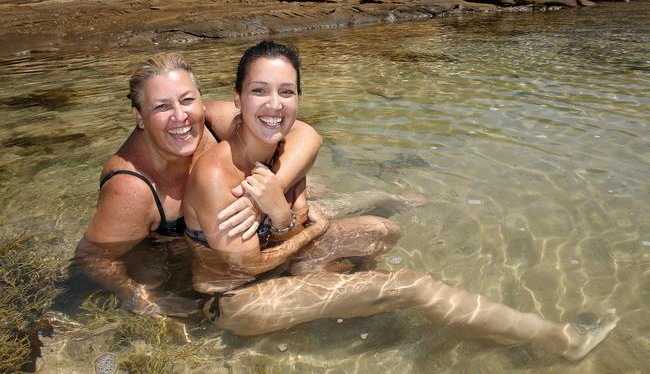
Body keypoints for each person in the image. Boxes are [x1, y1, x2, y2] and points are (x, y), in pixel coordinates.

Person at [181, 41, 617, 362]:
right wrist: (294, 219)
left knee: (380, 232)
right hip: (239, 301)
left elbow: (310, 137)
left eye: (287, 92)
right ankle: (562, 339)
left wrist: (281, 204)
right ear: (237, 99)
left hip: (278, 269)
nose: (274, 105)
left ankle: (352, 301)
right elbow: (246, 266)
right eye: (260, 91)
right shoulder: (218, 176)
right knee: (413, 285)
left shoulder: (278, 144)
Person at [75, 52, 323, 316]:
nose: (180, 116)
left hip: (235, 246)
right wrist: (135, 295)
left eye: (187, 99)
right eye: (162, 107)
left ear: (201, 101)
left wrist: (269, 193)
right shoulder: (132, 188)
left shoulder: (210, 121)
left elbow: (306, 135)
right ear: (139, 116)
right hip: (175, 267)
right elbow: (92, 257)